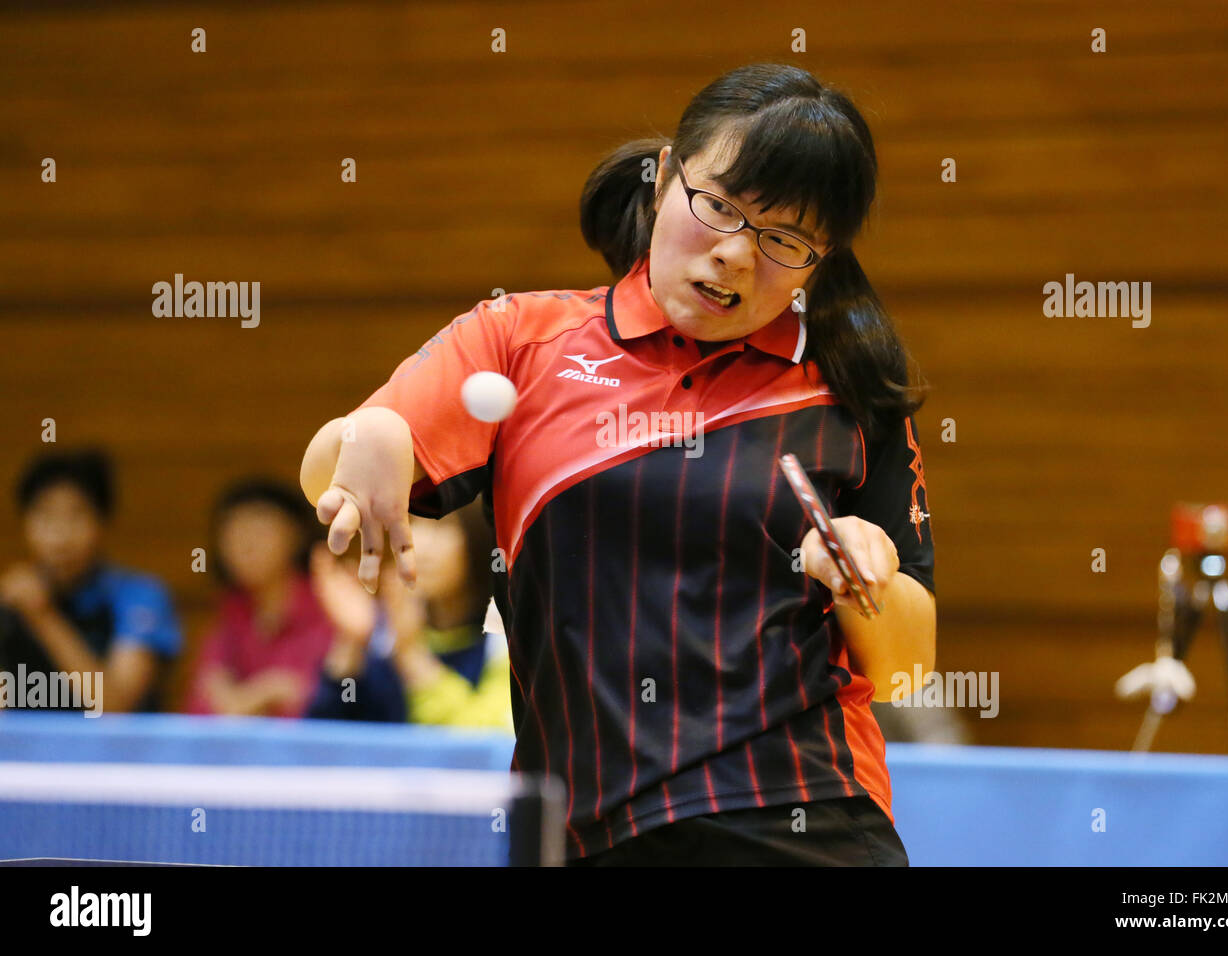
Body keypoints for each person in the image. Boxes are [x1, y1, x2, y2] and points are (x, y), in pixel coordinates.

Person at [300, 62, 936, 865]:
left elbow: (909, 672)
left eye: (783, 240)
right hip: (583, 829)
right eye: (719, 207)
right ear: (666, 174)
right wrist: (370, 436)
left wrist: (865, 581)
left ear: (822, 257)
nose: (736, 255)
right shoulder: (520, 341)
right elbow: (327, 480)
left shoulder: (846, 385)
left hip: (801, 819)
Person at [0, 448, 182, 713]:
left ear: (101, 522)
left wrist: (43, 616)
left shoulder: (141, 596)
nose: (60, 535)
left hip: (118, 754)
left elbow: (113, 708)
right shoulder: (9, 604)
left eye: (76, 515)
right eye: (45, 516)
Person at [305, 506, 512, 730]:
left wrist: (411, 654)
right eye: (410, 525)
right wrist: (351, 643)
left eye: (441, 527)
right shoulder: (384, 637)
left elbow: (488, 739)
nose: (419, 545)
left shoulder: (504, 640)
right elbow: (325, 738)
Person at [185, 478, 333, 718]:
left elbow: (328, 704)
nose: (246, 543)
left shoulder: (329, 607)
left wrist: (248, 700)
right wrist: (262, 696)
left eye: (260, 529)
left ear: (297, 535)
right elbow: (201, 707)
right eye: (234, 530)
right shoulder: (229, 611)